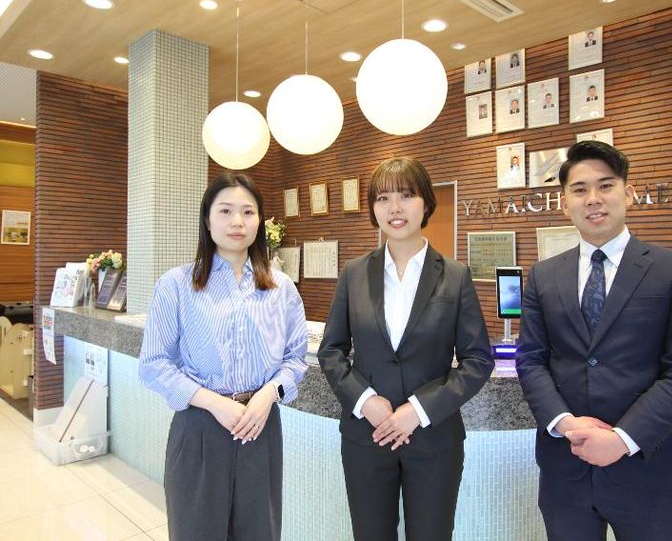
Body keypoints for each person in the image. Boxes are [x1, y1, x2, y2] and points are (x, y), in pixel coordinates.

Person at [515, 141, 672, 541]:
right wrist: (564, 423)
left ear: (628, 193)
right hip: (565, 467)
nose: (593, 198)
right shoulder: (543, 275)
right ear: (564, 203)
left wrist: (622, 439)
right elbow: (531, 359)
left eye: (605, 185)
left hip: (647, 469)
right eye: (579, 189)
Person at [318, 156, 494, 541]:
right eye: (383, 198)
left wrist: (418, 410)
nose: (394, 208)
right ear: (373, 208)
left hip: (434, 440)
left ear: (426, 202)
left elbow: (478, 360)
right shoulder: (354, 273)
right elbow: (330, 350)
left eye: (406, 196)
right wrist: (365, 401)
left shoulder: (455, 276)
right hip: (367, 436)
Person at [139, 172, 308, 541]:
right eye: (226, 211)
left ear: (259, 221)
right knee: (196, 532)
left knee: (260, 532)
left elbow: (296, 358)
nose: (237, 222)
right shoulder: (175, 285)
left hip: (260, 425)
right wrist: (215, 404)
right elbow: (154, 364)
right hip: (199, 426)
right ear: (207, 218)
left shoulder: (281, 288)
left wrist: (269, 395)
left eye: (248, 212)